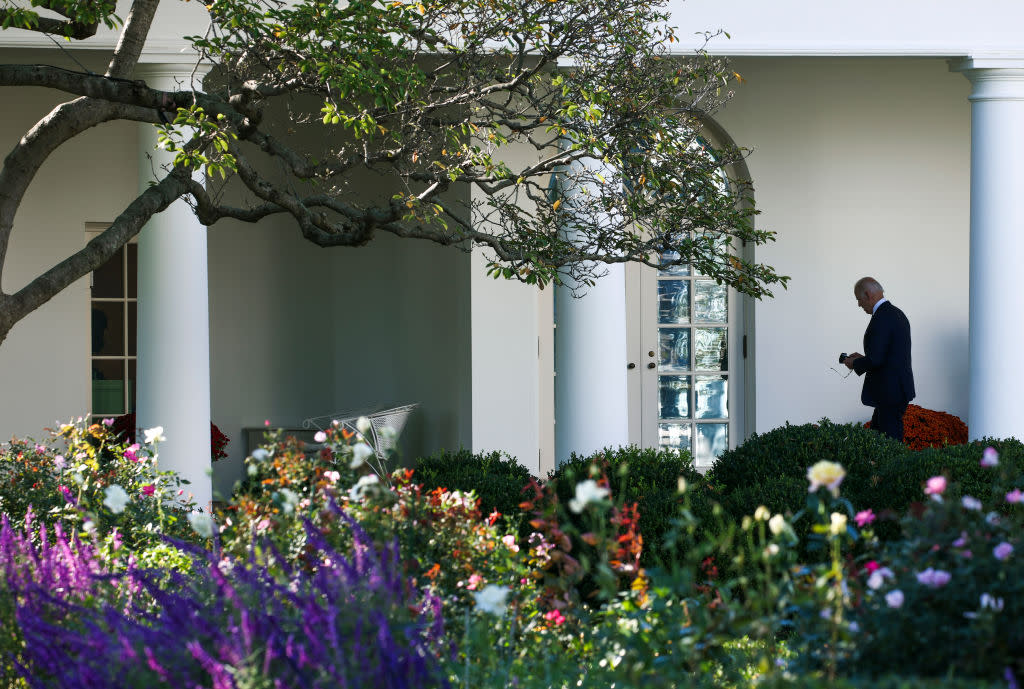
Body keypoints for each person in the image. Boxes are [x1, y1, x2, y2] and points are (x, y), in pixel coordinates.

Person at [842, 277, 915, 442]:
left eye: (859, 299)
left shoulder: (881, 318)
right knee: (877, 439)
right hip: (895, 390)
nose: (859, 304)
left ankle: (895, 468)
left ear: (868, 295)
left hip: (889, 392)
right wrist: (863, 359)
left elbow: (876, 360)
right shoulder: (896, 313)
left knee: (890, 444)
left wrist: (854, 363)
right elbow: (887, 355)